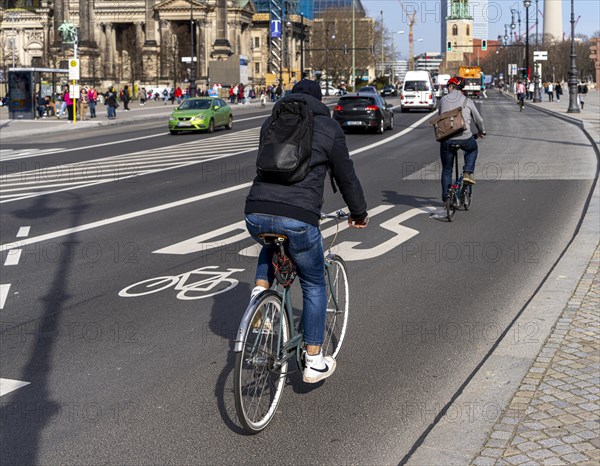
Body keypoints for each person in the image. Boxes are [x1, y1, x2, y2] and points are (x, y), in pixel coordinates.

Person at [244, 79, 368, 384]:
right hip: (299, 217)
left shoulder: (270, 122)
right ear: (318, 100)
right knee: (313, 283)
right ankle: (313, 359)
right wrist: (359, 213)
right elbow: (346, 176)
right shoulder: (328, 128)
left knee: (270, 241)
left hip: (255, 211)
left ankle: (260, 295)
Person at [437, 76, 486, 202]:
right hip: (464, 137)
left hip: (447, 139)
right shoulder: (467, 100)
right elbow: (478, 119)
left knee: (447, 169)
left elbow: (440, 118)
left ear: (451, 87)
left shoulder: (442, 100)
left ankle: (446, 197)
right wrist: (481, 131)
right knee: (472, 149)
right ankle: (467, 172)